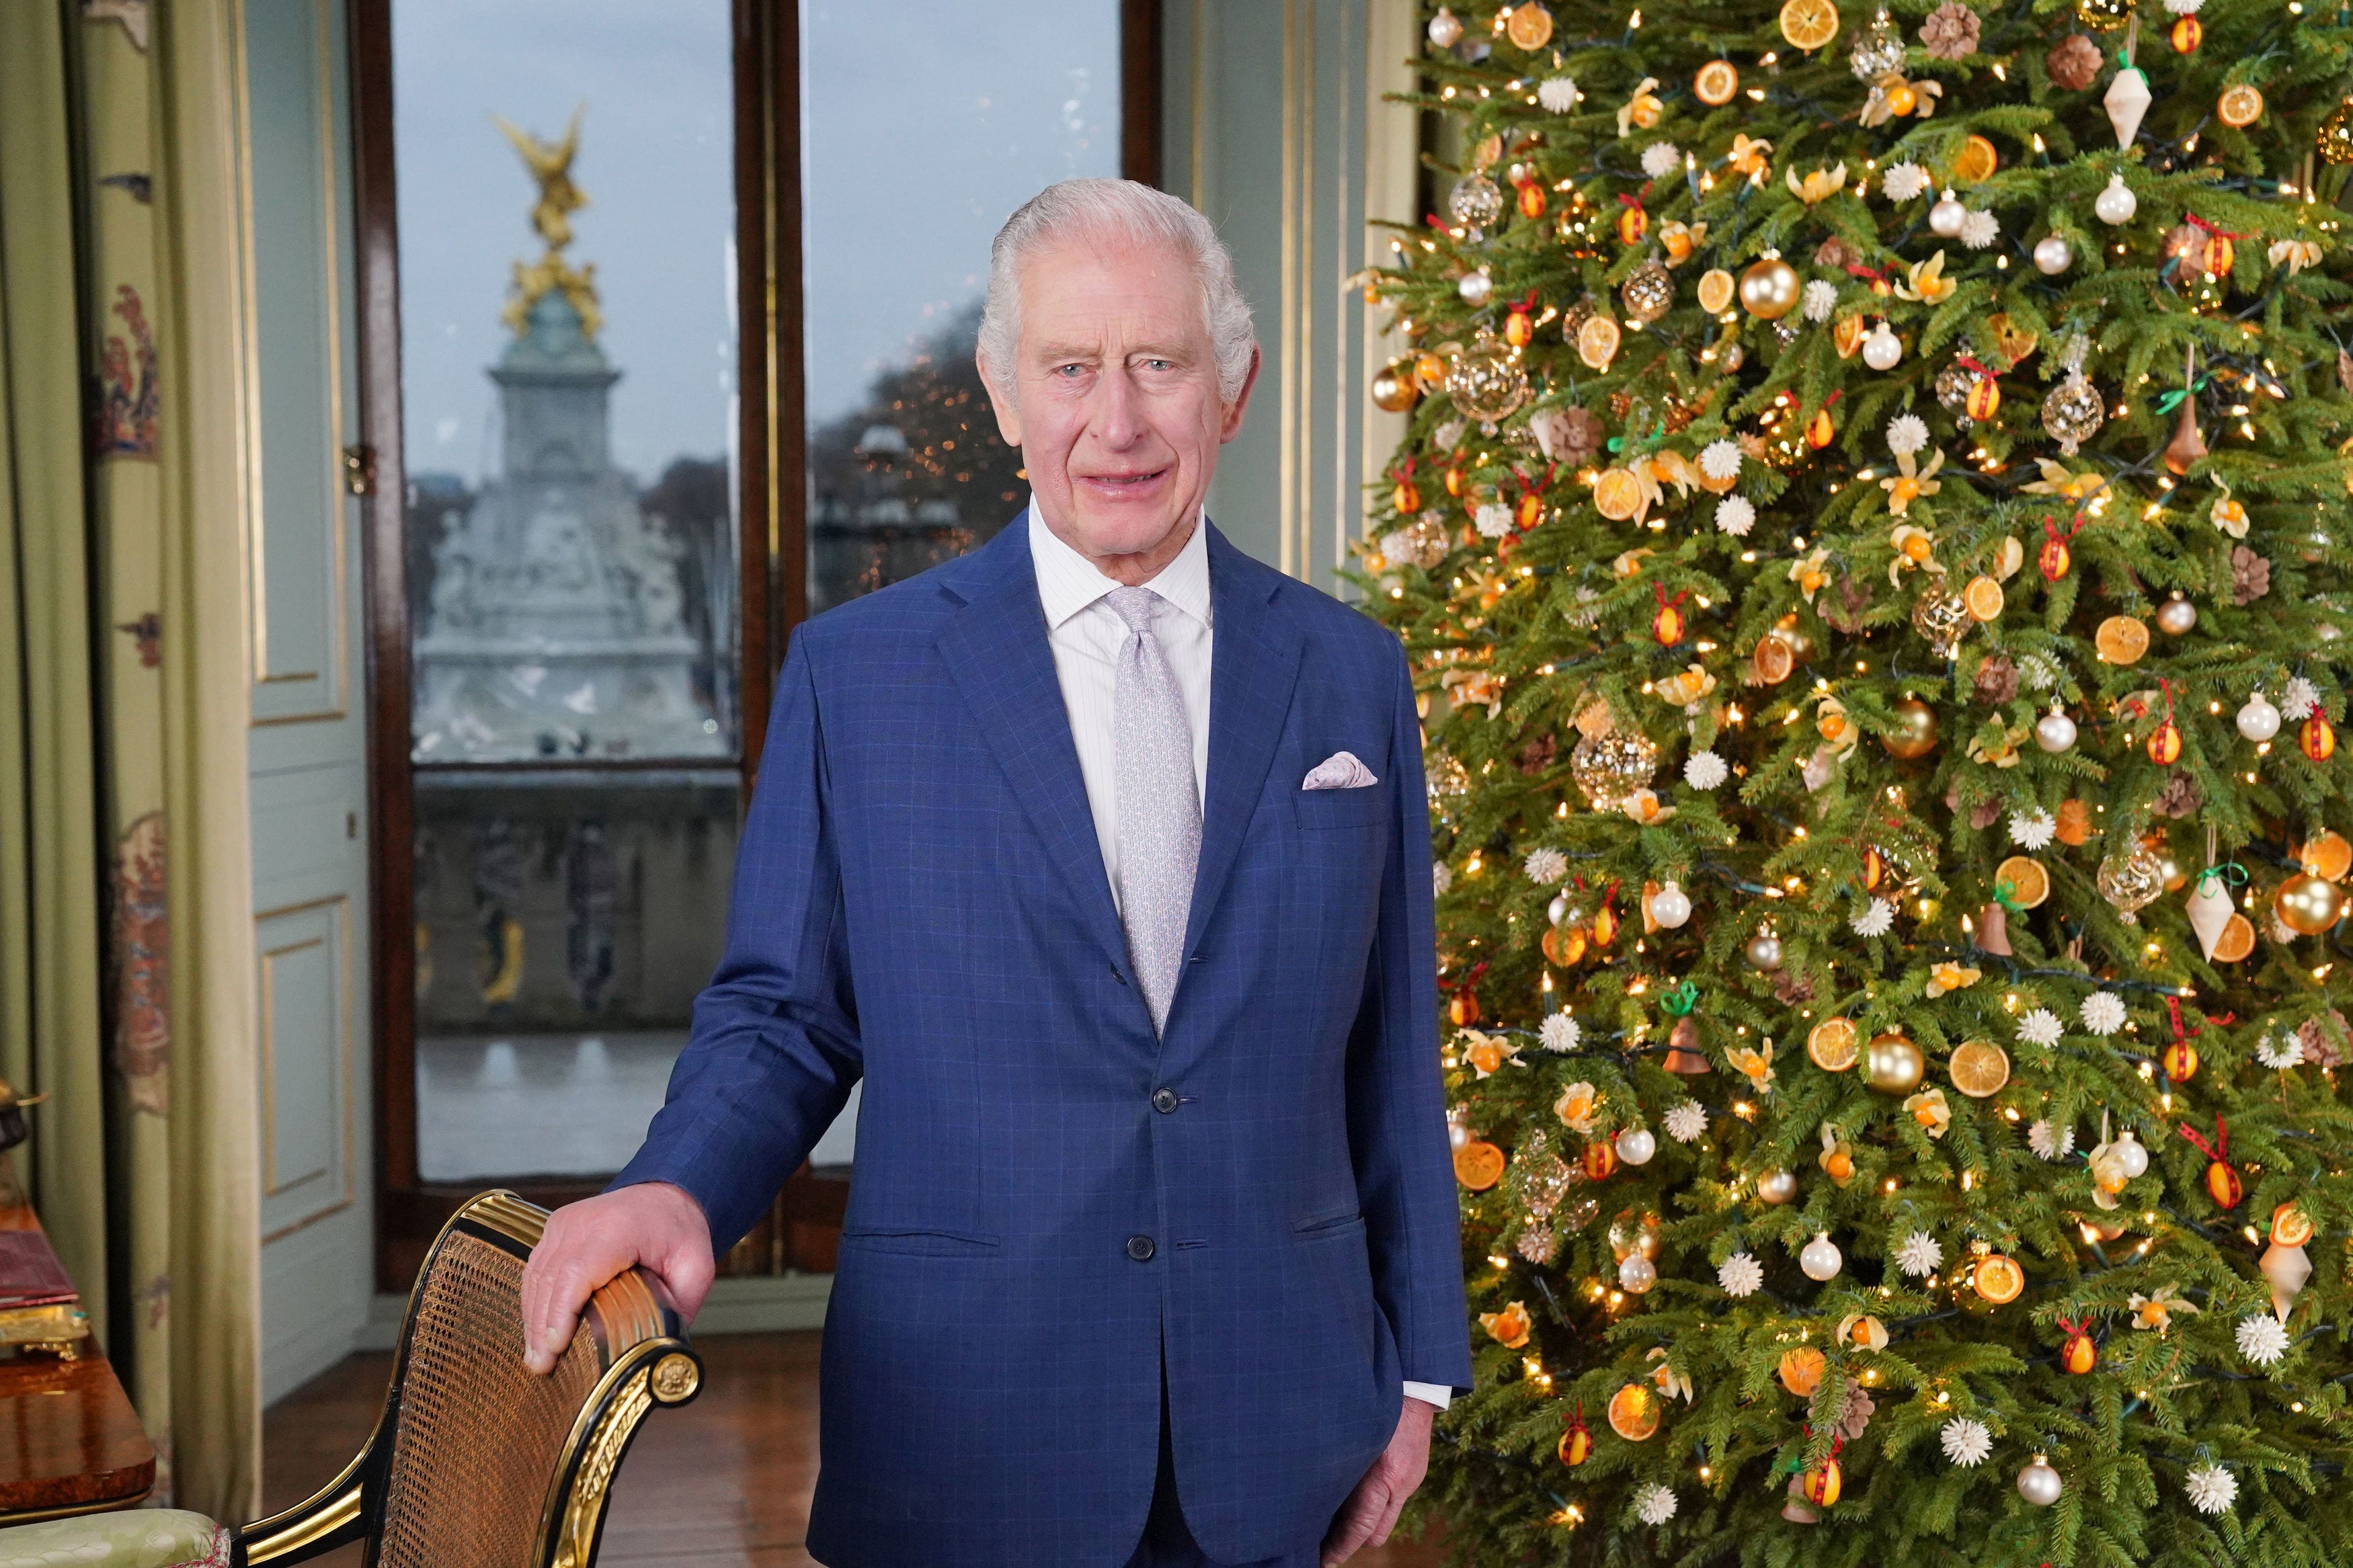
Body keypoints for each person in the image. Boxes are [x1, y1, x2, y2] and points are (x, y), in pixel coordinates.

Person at [517, 177, 1470, 1568]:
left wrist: (1421, 1371)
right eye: (1071, 368)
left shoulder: (1348, 673)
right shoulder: (864, 676)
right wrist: (679, 1183)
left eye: (1160, 363)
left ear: (1235, 387)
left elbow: (1392, 1047)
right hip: (965, 1426)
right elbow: (785, 1014)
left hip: (1285, 1415)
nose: (1118, 420)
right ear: (1003, 394)